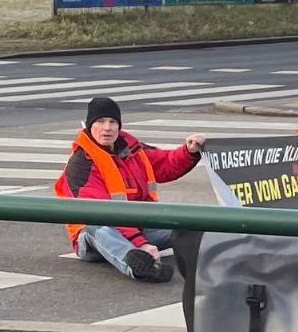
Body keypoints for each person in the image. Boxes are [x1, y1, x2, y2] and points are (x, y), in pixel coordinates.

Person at [55, 96, 206, 283]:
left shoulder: (133, 149)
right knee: (98, 229)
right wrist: (139, 244)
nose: (107, 127)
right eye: (100, 122)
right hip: (98, 235)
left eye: (112, 122)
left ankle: (218, 252)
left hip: (139, 226)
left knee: (188, 225)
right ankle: (136, 264)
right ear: (89, 126)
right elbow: (101, 213)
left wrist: (188, 151)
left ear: (119, 125)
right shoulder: (81, 164)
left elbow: (165, 162)